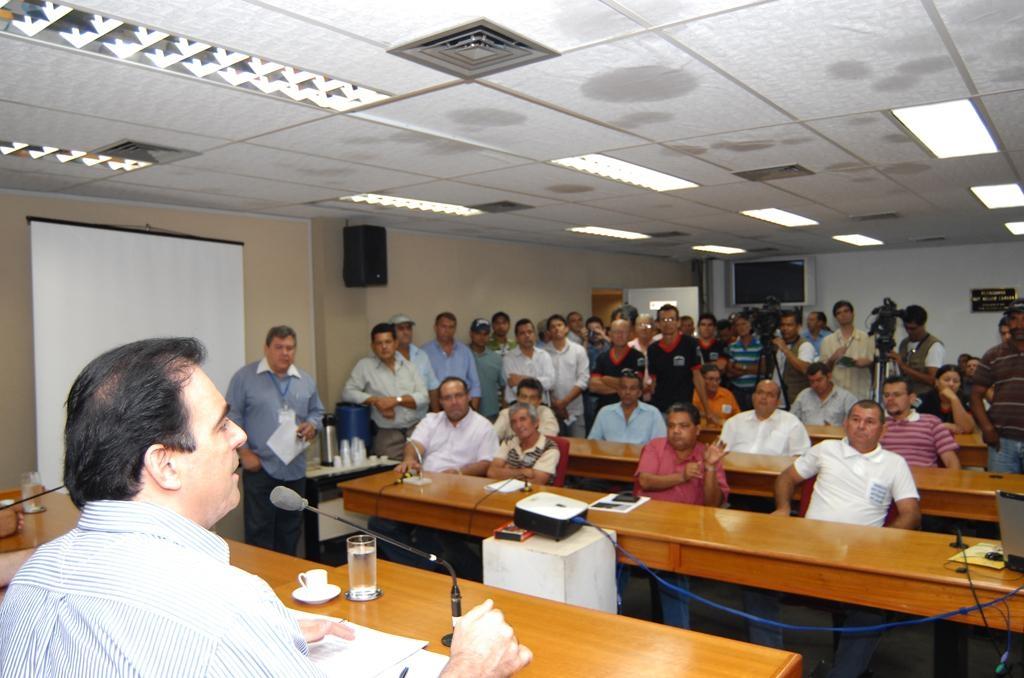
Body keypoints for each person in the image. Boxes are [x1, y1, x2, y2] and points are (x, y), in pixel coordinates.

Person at [0, 338, 531, 676]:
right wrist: (470, 666)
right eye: (221, 424)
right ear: (164, 464)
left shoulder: (32, 579)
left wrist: (257, 640)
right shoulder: (223, 605)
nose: (240, 436)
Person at [771, 399, 920, 676]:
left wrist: (882, 543)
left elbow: (911, 513)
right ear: (845, 423)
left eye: (870, 421)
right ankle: (770, 667)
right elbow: (786, 478)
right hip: (809, 548)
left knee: (870, 610)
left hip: (860, 554)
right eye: (855, 419)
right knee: (754, 582)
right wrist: (782, 509)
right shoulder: (826, 450)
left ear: (883, 430)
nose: (861, 426)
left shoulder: (894, 464)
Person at [227, 326, 324, 555]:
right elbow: (232, 417)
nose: (285, 353)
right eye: (279, 347)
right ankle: (263, 584)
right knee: (260, 531)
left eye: (290, 348)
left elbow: (317, 412)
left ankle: (286, 582)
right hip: (260, 466)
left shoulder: (305, 380)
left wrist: (312, 426)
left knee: (290, 531)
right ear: (267, 348)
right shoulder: (245, 377)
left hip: (294, 467)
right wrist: (244, 453)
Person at [634, 403, 728, 629]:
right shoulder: (655, 447)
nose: (676, 431)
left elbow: (712, 504)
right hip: (648, 524)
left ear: (697, 429)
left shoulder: (708, 454)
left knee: (672, 569)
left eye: (684, 426)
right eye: (672, 426)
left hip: (688, 529)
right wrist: (682, 476)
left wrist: (711, 468)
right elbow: (645, 481)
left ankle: (678, 635)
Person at [342, 323, 429, 459]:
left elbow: (424, 398)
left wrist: (395, 401)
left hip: (415, 432)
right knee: (389, 477)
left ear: (395, 343)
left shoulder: (409, 367)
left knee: (419, 475)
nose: (384, 347)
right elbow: (348, 392)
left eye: (388, 342)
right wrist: (376, 401)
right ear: (373, 346)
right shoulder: (365, 366)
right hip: (387, 436)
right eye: (379, 343)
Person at [397, 377, 498, 477]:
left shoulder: (484, 426)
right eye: (447, 398)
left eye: (458, 396)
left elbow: (487, 462)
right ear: (441, 402)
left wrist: (459, 473)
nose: (454, 402)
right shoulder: (430, 420)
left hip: (463, 483)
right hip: (427, 480)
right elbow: (415, 443)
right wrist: (409, 459)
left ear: (468, 396)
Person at [972, 300, 1024, 473]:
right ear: (1007, 322)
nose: (1019, 325)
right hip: (1002, 442)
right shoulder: (993, 355)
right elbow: (975, 395)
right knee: (1002, 497)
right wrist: (987, 428)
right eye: (1014, 319)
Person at [647, 304, 715, 421]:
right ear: (657, 324)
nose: (667, 323)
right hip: (660, 409)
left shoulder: (691, 344)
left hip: (684, 408)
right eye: (663, 320)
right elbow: (653, 381)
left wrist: (708, 410)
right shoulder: (652, 349)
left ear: (678, 322)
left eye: (671, 319)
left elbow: (697, 377)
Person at [880, 376, 960, 469]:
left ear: (912, 398)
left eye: (897, 395)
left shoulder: (931, 422)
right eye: (886, 395)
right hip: (886, 480)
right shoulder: (878, 424)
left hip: (923, 480)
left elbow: (951, 462)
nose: (890, 399)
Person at [719, 380, 811, 456]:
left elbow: (800, 456)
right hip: (735, 473)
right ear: (753, 397)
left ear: (777, 402)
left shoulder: (792, 423)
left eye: (770, 395)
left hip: (774, 475)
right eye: (760, 393)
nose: (764, 397)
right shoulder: (734, 422)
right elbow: (720, 452)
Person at [487, 403, 561, 486]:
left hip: (534, 496)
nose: (518, 425)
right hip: (506, 493)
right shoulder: (508, 442)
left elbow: (537, 482)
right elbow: (492, 472)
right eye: (514, 422)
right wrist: (524, 472)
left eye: (523, 419)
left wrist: (506, 470)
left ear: (536, 422)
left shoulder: (549, 448)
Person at [421, 312, 482, 411]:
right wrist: (436, 414)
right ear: (435, 327)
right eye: (443, 326)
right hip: (435, 405)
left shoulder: (465, 351)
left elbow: (475, 385)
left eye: (451, 327)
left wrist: (473, 411)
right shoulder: (424, 352)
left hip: (462, 404)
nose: (447, 330)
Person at [588, 370, 666, 444]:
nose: (627, 392)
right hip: (612, 457)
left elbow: (661, 445)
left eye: (632, 388)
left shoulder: (653, 413)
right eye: (624, 388)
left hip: (642, 457)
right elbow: (592, 443)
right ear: (618, 391)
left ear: (639, 393)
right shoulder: (604, 412)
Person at [544, 315, 590, 437]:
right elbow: (542, 381)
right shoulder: (543, 353)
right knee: (555, 450)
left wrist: (564, 402)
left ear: (566, 329)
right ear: (548, 332)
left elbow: (583, 379)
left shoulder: (578, 350)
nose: (556, 329)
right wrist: (557, 405)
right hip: (551, 412)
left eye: (559, 325)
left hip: (575, 410)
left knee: (578, 450)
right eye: (552, 327)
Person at [819, 300, 874, 400]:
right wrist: (832, 359)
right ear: (835, 318)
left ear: (853, 314)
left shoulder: (867, 338)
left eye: (846, 311)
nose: (843, 315)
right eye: (839, 313)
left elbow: (876, 366)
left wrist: (868, 363)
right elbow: (822, 372)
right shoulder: (827, 341)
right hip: (836, 394)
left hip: (860, 392)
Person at [589, 318, 647, 411]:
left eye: (623, 332)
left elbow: (636, 386)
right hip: (606, 411)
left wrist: (605, 379)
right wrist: (624, 387)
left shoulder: (638, 357)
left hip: (632, 411)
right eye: (616, 332)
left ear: (630, 335)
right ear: (610, 334)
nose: (620, 335)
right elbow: (593, 386)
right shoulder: (602, 358)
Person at [390, 313, 441, 413]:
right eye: (401, 328)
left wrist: (436, 415)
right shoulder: (387, 358)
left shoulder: (422, 355)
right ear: (391, 332)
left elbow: (432, 387)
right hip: (397, 421)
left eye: (408, 328)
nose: (406, 332)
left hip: (422, 419)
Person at [890, 304, 944, 397]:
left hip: (925, 397)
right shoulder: (904, 343)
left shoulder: (934, 346)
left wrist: (903, 366)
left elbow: (933, 380)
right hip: (906, 395)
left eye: (913, 328)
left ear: (923, 325)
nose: (909, 331)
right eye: (906, 328)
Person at [502, 319, 555, 405]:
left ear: (534, 335)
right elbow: (515, 387)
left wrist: (523, 378)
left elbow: (550, 383)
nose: (527, 335)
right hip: (517, 405)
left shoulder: (544, 355)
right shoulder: (508, 358)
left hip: (541, 404)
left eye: (530, 332)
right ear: (517, 338)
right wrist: (539, 381)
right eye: (522, 333)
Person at [789, 362, 857, 427]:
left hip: (836, 437)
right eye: (812, 381)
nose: (815, 385)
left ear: (829, 377)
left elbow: (853, 424)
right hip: (808, 437)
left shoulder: (846, 398)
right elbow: (791, 420)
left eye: (819, 380)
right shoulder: (803, 396)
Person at [771, 310, 816, 407]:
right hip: (776, 402)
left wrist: (785, 350)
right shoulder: (777, 344)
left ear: (798, 327)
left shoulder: (805, 346)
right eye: (782, 325)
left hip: (796, 402)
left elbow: (805, 369)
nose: (785, 328)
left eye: (789, 325)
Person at [494, 378, 559, 443]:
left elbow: (549, 436)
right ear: (517, 398)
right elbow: (493, 436)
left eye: (532, 398)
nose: (527, 402)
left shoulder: (545, 412)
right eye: (523, 397)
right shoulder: (506, 414)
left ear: (539, 400)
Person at [915, 365, 975, 434]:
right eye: (946, 380)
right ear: (937, 382)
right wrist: (944, 426)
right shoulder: (922, 399)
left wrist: (954, 399)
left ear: (960, 385)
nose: (951, 384)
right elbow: (909, 423)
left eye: (955, 381)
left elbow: (967, 428)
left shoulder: (965, 400)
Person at [469, 318, 506, 421]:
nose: (482, 337)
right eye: (478, 333)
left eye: (485, 334)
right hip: (466, 413)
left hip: (492, 413)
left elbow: (504, 387)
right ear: (471, 334)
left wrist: (504, 411)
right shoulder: (462, 354)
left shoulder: (496, 358)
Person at [726, 313, 763, 410]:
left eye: (744, 324)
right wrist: (751, 368)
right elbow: (730, 372)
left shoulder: (760, 345)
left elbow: (762, 369)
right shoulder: (732, 347)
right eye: (738, 325)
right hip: (737, 391)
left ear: (750, 325)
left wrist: (741, 367)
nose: (741, 327)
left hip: (755, 390)